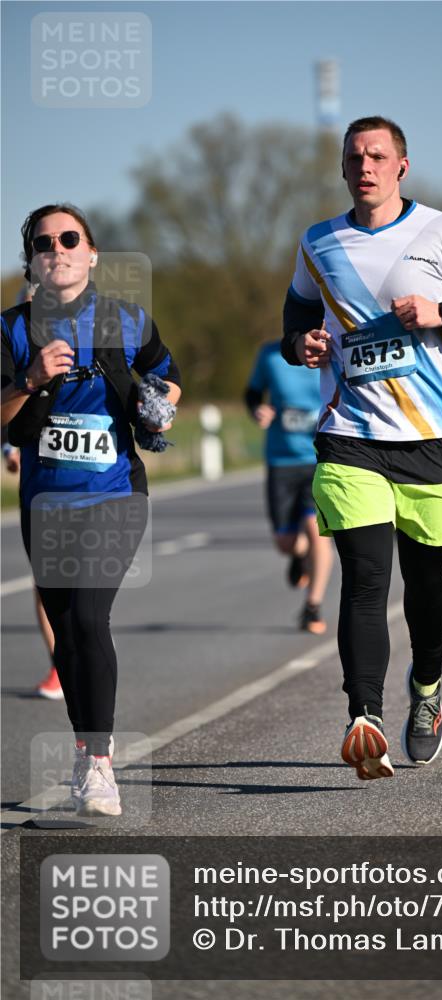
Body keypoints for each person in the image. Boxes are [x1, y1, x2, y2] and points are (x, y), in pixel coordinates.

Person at [281, 116, 442, 779]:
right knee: (363, 581)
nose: (365, 166)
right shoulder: (318, 242)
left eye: (377, 156)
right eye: (354, 156)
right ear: (343, 167)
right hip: (351, 435)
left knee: (425, 587)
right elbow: (295, 321)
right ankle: (366, 716)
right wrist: (301, 345)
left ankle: (427, 690)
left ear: (400, 167)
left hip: (433, 440)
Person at [1, 203, 181, 816]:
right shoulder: (11, 329)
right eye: (45, 242)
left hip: (114, 493)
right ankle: (86, 750)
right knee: (66, 638)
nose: (58, 248)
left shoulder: (126, 320)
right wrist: (26, 381)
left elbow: (169, 381)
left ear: (91, 251)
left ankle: (100, 765)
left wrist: (147, 396)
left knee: (87, 619)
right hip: (45, 501)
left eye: (69, 238)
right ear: (32, 259)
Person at [244, 340, 333, 633]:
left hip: (322, 457)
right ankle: (298, 554)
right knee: (285, 543)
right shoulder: (270, 355)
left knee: (317, 530)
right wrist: (258, 409)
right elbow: (252, 393)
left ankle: (313, 607)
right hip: (281, 460)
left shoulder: (333, 351)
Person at [2, 431, 63, 698]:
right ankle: (60, 668)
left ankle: (90, 645)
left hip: (91, 486)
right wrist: (8, 449)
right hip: (40, 485)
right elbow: (8, 401)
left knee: (85, 586)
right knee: (45, 582)